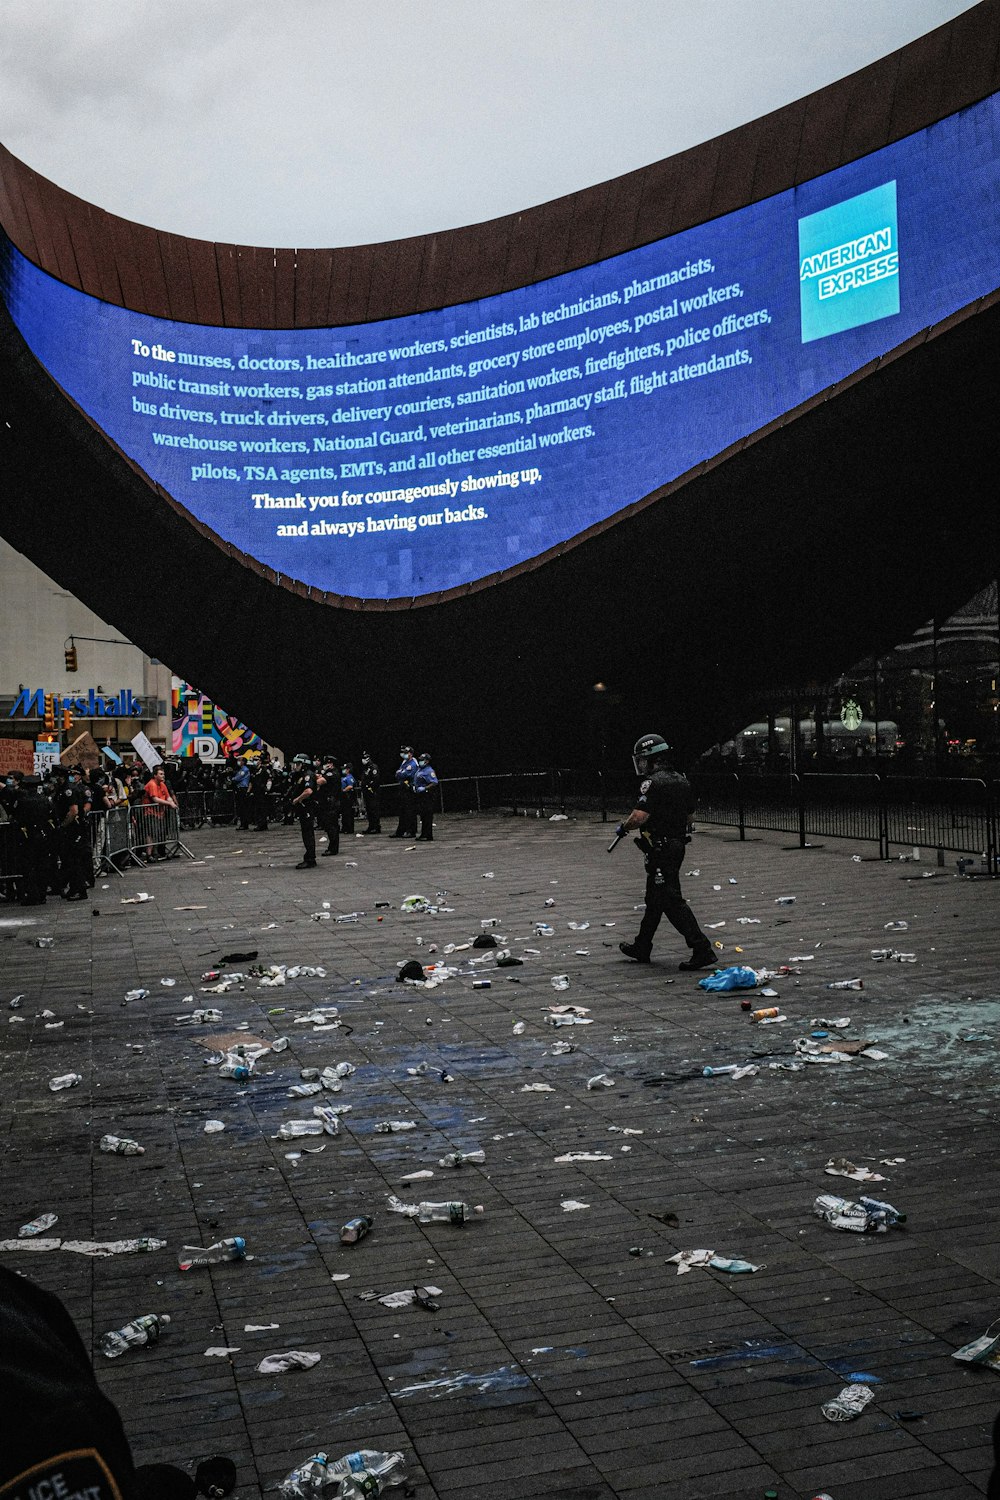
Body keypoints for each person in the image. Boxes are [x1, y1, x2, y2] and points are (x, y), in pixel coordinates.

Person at [615, 733, 716, 971]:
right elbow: (690, 816)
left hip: (660, 848)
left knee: (671, 900)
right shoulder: (682, 780)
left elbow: (639, 816)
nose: (640, 764)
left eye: (642, 759)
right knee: (654, 899)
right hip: (676, 845)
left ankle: (702, 948)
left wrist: (624, 827)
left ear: (652, 759)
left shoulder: (651, 783)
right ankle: (642, 946)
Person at [12, 775, 54, 906]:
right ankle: (42, 894)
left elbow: (16, 816)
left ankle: (32, 894)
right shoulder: (44, 800)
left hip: (27, 836)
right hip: (43, 835)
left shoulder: (22, 801)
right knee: (42, 865)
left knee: (29, 866)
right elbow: (51, 816)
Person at [289, 754, 318, 868]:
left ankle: (310, 859)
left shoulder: (308, 775)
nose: (296, 766)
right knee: (306, 833)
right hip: (303, 808)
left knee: (308, 833)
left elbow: (308, 791)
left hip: (307, 807)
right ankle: (309, 857)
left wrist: (297, 799)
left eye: (298, 764)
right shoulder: (300, 775)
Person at [142, 764, 177, 862]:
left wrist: (171, 802)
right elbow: (155, 799)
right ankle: (150, 854)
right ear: (155, 775)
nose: (163, 776)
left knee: (159, 833)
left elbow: (167, 795)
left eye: (163, 774)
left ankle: (157, 852)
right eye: (161, 774)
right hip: (150, 812)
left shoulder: (162, 784)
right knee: (151, 833)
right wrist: (169, 804)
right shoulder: (152, 784)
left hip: (159, 813)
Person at [314, 756, 341, 856]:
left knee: (331, 826)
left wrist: (313, 778)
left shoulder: (332, 773)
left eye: (327, 763)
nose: (325, 765)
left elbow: (321, 781)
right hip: (330, 802)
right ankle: (332, 847)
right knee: (331, 825)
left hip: (331, 802)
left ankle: (333, 848)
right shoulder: (332, 773)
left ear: (331, 764)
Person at [392, 745, 418, 838]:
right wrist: (400, 773)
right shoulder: (404, 762)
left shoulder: (413, 763)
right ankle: (401, 830)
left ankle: (411, 831)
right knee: (402, 810)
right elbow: (397, 774)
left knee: (410, 810)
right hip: (403, 788)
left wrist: (401, 773)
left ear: (410, 754)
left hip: (409, 789)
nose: (404, 754)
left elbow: (406, 774)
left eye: (406, 753)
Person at [412, 752, 439, 841]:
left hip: (427, 795)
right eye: (419, 760)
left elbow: (434, 782)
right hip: (420, 796)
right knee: (423, 816)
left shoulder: (429, 771)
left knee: (427, 815)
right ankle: (423, 834)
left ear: (427, 761)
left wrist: (424, 788)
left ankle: (428, 835)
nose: (420, 761)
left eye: (422, 760)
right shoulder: (420, 770)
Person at [360, 752, 381, 834]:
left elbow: (376, 780)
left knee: (374, 810)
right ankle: (371, 826)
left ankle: (376, 827)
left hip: (373, 792)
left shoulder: (373, 767)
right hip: (367, 792)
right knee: (369, 810)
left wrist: (369, 786)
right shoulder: (366, 768)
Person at [231, 758, 252, 830]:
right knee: (241, 808)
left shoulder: (244, 770)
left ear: (243, 762)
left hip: (243, 789)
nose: (239, 762)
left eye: (240, 760)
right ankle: (243, 823)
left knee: (243, 807)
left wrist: (232, 779)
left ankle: (244, 824)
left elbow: (238, 778)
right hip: (240, 789)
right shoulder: (241, 769)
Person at [340, 761, 356, 834]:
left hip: (348, 796)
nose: (344, 770)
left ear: (348, 769)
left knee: (348, 813)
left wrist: (343, 790)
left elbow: (350, 786)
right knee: (344, 813)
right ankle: (344, 827)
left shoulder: (349, 777)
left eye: (345, 769)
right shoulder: (344, 777)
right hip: (344, 797)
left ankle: (349, 828)